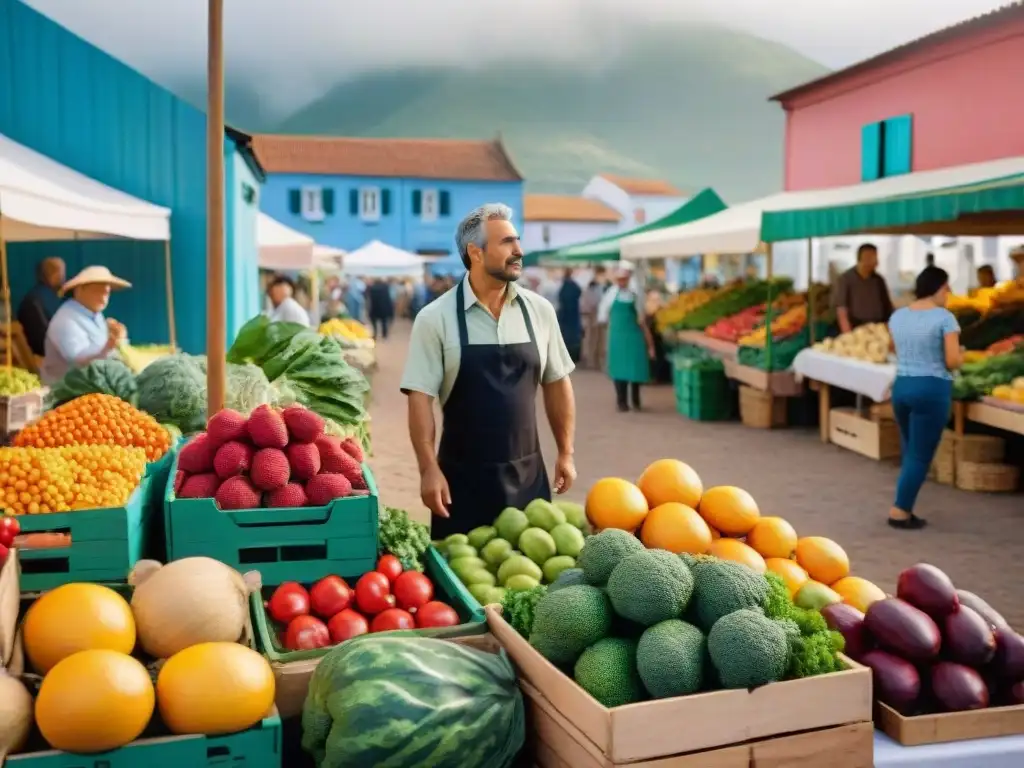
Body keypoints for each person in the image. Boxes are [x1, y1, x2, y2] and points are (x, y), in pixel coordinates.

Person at [401, 203, 576, 537]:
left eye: (517, 241)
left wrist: (566, 452)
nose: (519, 250)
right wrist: (428, 469)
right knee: (462, 581)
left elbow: (557, 381)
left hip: (529, 481)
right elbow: (419, 398)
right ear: (475, 252)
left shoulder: (539, 311)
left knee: (530, 583)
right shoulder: (434, 318)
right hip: (459, 485)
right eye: (507, 242)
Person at [887, 266, 962, 530]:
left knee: (911, 451)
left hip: (902, 387)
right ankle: (900, 510)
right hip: (931, 389)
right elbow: (952, 361)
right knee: (919, 456)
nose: (949, 293)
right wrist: (960, 355)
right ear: (938, 288)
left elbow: (892, 348)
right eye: (947, 287)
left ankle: (907, 508)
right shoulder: (945, 319)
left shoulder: (898, 316)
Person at [40, 266, 130, 385]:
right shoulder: (66, 320)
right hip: (68, 390)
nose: (103, 297)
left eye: (106, 292)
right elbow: (78, 362)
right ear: (79, 290)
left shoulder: (96, 315)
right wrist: (109, 346)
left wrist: (118, 339)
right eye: (97, 291)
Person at [599, 262, 655, 412]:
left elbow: (641, 317)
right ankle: (621, 401)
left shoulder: (635, 294)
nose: (622, 282)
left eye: (624, 279)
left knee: (635, 368)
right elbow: (603, 315)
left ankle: (636, 400)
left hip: (633, 335)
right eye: (620, 279)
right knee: (619, 369)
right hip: (617, 336)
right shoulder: (611, 294)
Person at [834, 243, 894, 333]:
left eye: (876, 257)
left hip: (878, 327)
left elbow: (887, 306)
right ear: (863, 258)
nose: (876, 262)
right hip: (856, 328)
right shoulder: (845, 279)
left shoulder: (878, 280)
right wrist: (848, 333)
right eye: (873, 257)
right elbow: (841, 309)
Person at [17, 257, 66, 356]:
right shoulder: (39, 301)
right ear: (55, 275)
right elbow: (46, 340)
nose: (63, 278)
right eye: (62, 274)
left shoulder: (36, 297)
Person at [556, 269, 583, 363]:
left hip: (565, 314)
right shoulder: (573, 285)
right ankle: (573, 356)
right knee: (572, 336)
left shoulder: (563, 286)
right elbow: (579, 293)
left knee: (566, 336)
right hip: (572, 314)